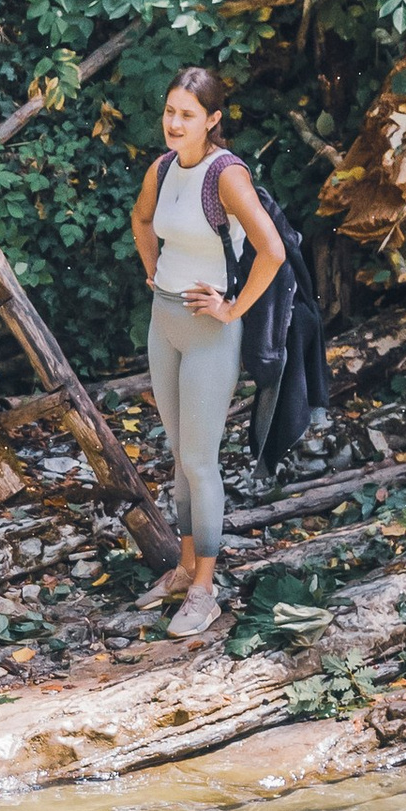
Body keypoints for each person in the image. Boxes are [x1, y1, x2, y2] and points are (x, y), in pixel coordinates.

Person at [128, 65, 287, 638]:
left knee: (200, 462)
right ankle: (184, 569)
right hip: (163, 321)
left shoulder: (226, 176)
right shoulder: (163, 168)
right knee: (179, 456)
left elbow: (271, 249)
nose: (174, 123)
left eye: (188, 115)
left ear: (213, 120)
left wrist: (233, 308)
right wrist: (154, 270)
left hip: (209, 332)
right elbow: (142, 218)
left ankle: (205, 591)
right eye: (170, 111)